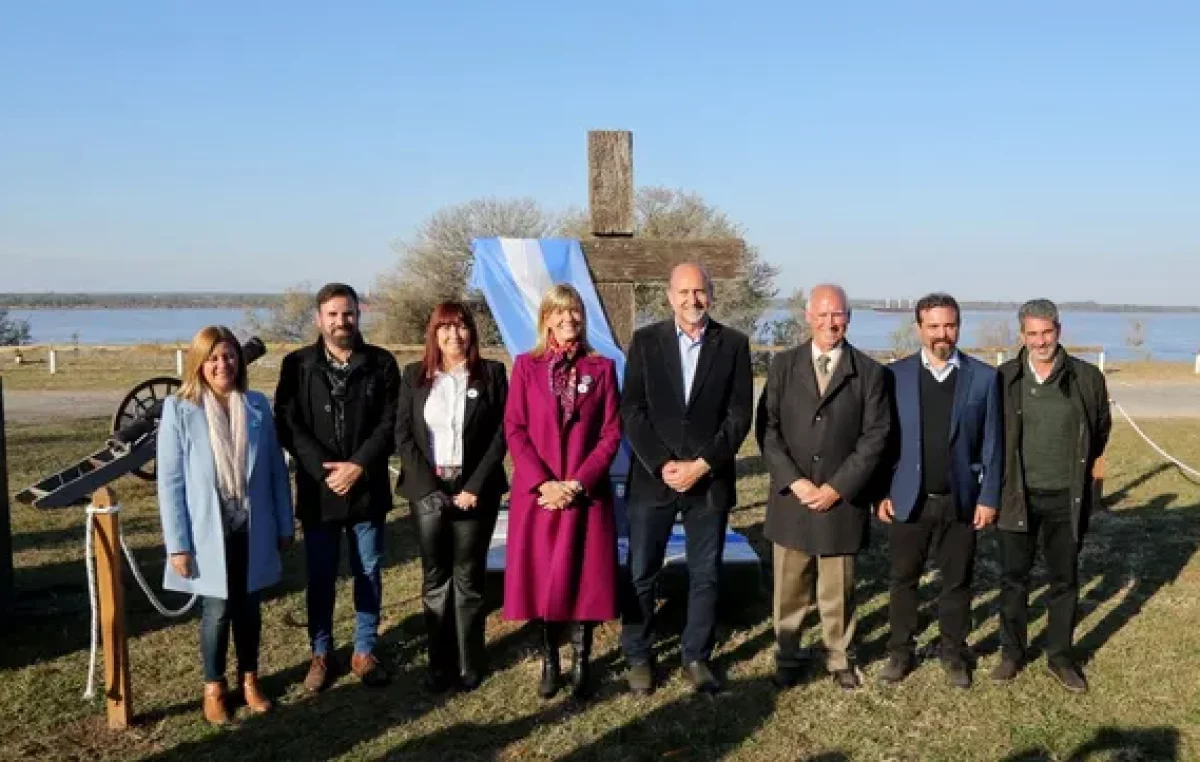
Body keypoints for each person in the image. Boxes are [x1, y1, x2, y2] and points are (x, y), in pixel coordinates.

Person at [620, 262, 754, 695]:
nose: (692, 300)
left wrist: (702, 464)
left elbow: (738, 416)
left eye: (699, 292)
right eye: (683, 293)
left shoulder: (733, 344)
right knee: (642, 570)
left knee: (705, 574)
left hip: (708, 481)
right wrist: (662, 463)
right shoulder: (645, 342)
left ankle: (696, 654)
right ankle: (638, 655)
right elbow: (632, 411)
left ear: (711, 295)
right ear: (669, 296)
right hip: (652, 478)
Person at [157, 326, 294, 725]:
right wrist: (177, 544)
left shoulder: (255, 406)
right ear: (200, 363)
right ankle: (214, 687)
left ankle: (249, 680)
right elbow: (171, 483)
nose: (223, 365)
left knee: (249, 608)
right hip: (206, 534)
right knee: (217, 611)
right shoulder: (179, 410)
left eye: (229, 356)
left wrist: (285, 524)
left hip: (254, 528)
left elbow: (274, 473)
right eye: (213, 358)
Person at [757, 284, 890, 691]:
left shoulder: (869, 372)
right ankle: (789, 654)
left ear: (848, 318)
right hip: (791, 496)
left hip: (840, 499)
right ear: (808, 316)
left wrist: (837, 486)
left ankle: (839, 656)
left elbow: (876, 437)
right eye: (823, 315)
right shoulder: (782, 366)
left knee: (839, 589)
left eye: (838, 315)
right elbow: (767, 429)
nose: (830, 323)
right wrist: (795, 481)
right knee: (790, 586)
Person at [274, 283, 400, 692]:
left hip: (366, 486)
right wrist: (323, 469)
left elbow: (391, 422)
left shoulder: (381, 363)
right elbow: (288, 423)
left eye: (348, 314)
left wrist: (359, 464)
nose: (341, 321)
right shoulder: (298, 364)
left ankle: (364, 649)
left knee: (368, 570)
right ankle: (321, 652)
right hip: (319, 488)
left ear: (358, 316)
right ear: (319, 319)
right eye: (333, 314)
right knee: (321, 575)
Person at [877, 292, 1003, 690]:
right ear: (919, 328)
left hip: (961, 501)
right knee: (903, 580)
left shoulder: (984, 378)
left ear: (958, 327)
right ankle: (900, 651)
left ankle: (953, 652)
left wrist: (989, 497)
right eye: (933, 326)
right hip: (909, 499)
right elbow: (884, 441)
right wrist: (882, 491)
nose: (941, 334)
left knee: (957, 582)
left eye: (949, 325)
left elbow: (993, 444)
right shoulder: (894, 376)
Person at [503, 284, 622, 700]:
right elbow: (515, 429)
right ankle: (550, 661)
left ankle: (581, 661)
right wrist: (545, 483)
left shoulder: (602, 368)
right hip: (538, 496)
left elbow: (611, 433)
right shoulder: (525, 367)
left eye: (575, 312)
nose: (568, 319)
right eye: (560, 312)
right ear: (546, 319)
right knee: (542, 578)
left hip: (584, 493)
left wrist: (576, 483)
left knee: (584, 578)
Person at [992, 299, 1111, 692]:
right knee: (1013, 578)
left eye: (1047, 332)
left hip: (1066, 496)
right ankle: (1012, 652)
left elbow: (1099, 429)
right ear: (1022, 335)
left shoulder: (1086, 378)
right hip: (1017, 495)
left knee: (1065, 579)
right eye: (1032, 334)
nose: (1041, 341)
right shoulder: (1005, 379)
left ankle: (1060, 656)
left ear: (1059, 330)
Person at [395, 301, 508, 693]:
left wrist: (474, 486)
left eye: (460, 328)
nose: (453, 336)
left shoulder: (492, 374)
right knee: (435, 579)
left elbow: (501, 436)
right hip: (427, 491)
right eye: (444, 328)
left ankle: (469, 661)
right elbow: (404, 436)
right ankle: (439, 663)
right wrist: (428, 489)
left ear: (471, 333)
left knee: (469, 577)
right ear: (434, 334)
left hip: (476, 490)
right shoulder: (415, 376)